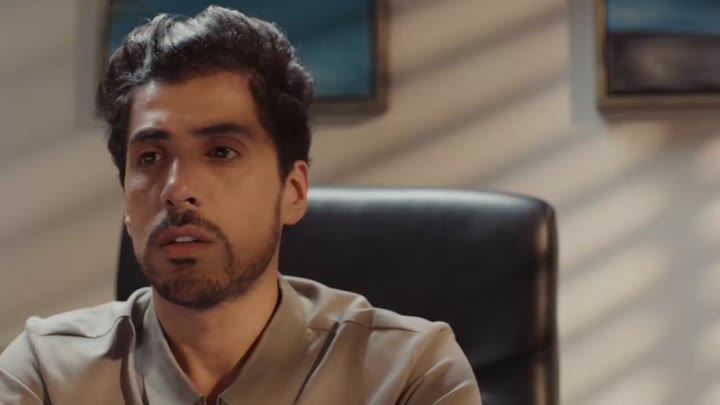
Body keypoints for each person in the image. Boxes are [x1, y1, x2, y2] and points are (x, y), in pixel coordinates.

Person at [0, 6, 482, 404]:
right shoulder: (47, 373)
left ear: (293, 191)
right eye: (150, 157)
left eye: (221, 152)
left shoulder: (408, 374)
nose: (176, 189)